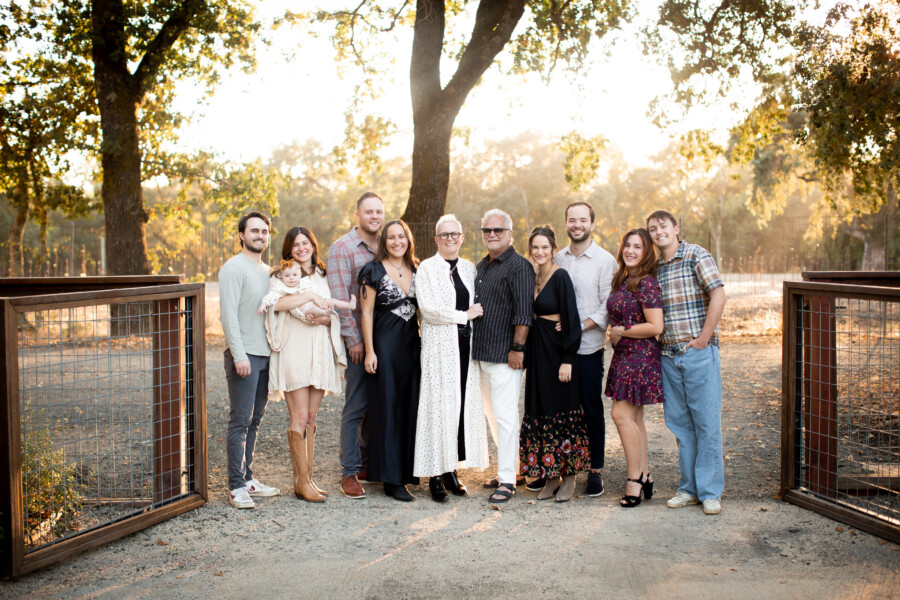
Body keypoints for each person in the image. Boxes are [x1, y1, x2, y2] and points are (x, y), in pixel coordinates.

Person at [646, 210, 727, 515]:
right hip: (667, 355)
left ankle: (709, 492)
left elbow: (718, 295)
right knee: (681, 426)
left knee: (706, 423)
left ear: (675, 228)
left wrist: (704, 338)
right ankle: (688, 489)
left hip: (696, 352)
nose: (658, 232)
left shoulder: (695, 255)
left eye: (663, 226)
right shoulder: (656, 268)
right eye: (652, 229)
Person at [264, 227, 347, 502]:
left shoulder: (324, 275)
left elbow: (334, 311)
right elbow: (278, 304)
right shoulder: (282, 274)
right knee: (298, 416)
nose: (301, 248)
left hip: (320, 351)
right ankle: (300, 482)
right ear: (289, 249)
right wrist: (310, 300)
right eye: (295, 245)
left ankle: (309, 478)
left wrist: (326, 319)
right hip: (295, 349)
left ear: (313, 244)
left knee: (311, 418)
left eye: (305, 243)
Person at [414, 214, 488, 502]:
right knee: (437, 407)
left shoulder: (470, 268)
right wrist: (464, 316)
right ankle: (434, 473)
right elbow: (429, 310)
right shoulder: (427, 269)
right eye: (444, 235)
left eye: (454, 234)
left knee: (458, 409)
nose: (449, 239)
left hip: (465, 350)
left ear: (461, 237)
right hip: (438, 350)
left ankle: (451, 469)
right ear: (436, 239)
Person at [218, 212, 287, 508]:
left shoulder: (267, 272)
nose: (260, 235)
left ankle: (247, 478)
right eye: (254, 231)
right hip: (244, 356)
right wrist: (238, 355)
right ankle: (235, 486)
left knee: (255, 421)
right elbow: (228, 315)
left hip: (265, 355)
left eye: (264, 231)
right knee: (240, 421)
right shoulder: (233, 268)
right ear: (242, 235)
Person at [519, 226, 590, 503]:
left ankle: (570, 476)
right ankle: (550, 476)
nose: (539, 252)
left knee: (563, 410)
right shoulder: (533, 276)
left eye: (544, 247)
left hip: (557, 353)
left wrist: (568, 359)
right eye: (535, 247)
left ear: (553, 249)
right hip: (537, 354)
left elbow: (572, 319)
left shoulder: (560, 276)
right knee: (541, 410)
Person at [554, 201, 617, 498]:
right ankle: (564, 468)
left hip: (589, 348)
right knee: (562, 410)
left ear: (592, 223)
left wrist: (575, 327)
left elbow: (607, 306)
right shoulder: (557, 259)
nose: (577, 224)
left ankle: (595, 470)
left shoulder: (605, 261)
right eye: (571, 219)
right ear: (566, 223)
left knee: (591, 410)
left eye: (582, 219)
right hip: (558, 350)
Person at [473, 208, 534, 504]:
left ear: (510, 233)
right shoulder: (482, 266)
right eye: (487, 230)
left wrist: (518, 349)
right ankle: (510, 469)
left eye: (498, 230)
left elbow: (524, 312)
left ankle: (508, 480)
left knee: (507, 417)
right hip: (481, 355)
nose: (492, 234)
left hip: (505, 356)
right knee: (493, 417)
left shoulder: (519, 266)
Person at [327, 191, 384, 499]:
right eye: (369, 212)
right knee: (357, 406)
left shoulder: (385, 245)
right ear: (358, 215)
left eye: (379, 212)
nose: (375, 216)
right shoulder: (342, 248)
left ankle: (366, 463)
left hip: (384, 339)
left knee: (378, 404)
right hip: (360, 342)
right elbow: (339, 299)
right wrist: (354, 340)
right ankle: (349, 472)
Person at [359, 219, 421, 501]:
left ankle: (407, 472)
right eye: (391, 237)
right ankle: (390, 478)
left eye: (402, 237)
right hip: (384, 347)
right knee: (387, 409)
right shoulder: (372, 271)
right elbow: (367, 313)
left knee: (409, 407)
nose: (397, 242)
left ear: (408, 240)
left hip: (412, 348)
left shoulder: (417, 269)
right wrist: (370, 351)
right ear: (384, 241)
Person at [605, 228, 665, 508]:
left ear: (646, 252)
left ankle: (634, 480)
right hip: (624, 354)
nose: (630, 250)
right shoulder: (623, 279)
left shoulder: (647, 283)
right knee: (635, 419)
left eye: (637, 247)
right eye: (627, 245)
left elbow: (656, 326)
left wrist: (621, 329)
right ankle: (645, 475)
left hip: (640, 357)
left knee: (620, 415)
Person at [258, 260, 356, 316]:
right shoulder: (281, 287)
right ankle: (325, 313)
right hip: (304, 308)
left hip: (317, 301)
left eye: (294, 275)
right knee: (312, 310)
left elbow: (314, 291)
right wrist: (263, 304)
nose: (291, 278)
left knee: (333, 301)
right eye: (287, 276)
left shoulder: (304, 282)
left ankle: (349, 305)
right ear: (282, 278)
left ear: (300, 275)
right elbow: (271, 296)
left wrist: (321, 299)